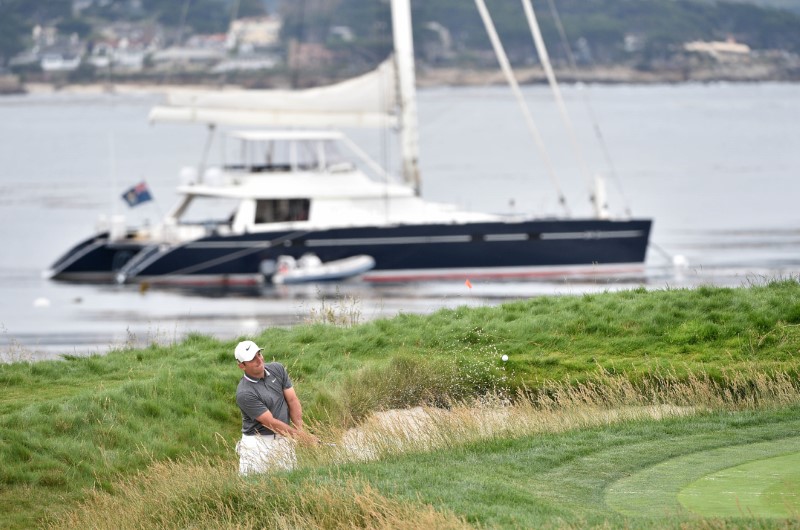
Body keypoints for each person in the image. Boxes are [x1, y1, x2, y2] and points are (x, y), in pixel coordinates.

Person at [234, 340, 314, 475]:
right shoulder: (244, 393)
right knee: (254, 488)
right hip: (258, 444)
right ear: (242, 366)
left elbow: (292, 400)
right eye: (252, 359)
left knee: (290, 481)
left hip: (284, 437)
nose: (259, 360)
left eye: (259, 354)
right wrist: (301, 437)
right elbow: (270, 422)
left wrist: (299, 431)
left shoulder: (277, 369)